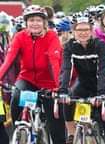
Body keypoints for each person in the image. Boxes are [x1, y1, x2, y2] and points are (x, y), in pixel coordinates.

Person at [0, 5, 66, 144]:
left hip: (49, 83)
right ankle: (19, 132)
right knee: (16, 97)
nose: (34, 23)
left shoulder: (51, 36)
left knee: (57, 130)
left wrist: (58, 87)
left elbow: (54, 62)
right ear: (26, 23)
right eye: (31, 20)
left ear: (44, 22)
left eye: (38, 20)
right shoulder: (20, 36)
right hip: (27, 80)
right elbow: (9, 60)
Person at [59, 10, 105, 144]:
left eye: (86, 29)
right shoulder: (69, 46)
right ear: (73, 30)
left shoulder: (100, 45)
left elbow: (103, 70)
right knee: (69, 99)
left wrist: (102, 94)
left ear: (91, 29)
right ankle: (71, 135)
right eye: (79, 29)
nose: (82, 32)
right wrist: (62, 90)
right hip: (84, 84)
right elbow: (66, 69)